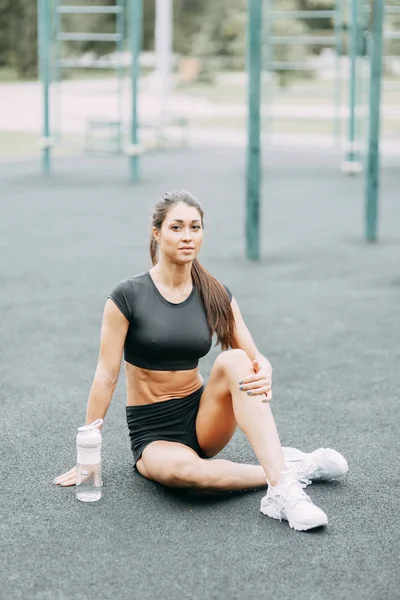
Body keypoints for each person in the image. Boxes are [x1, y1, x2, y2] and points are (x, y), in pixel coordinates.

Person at [54, 190, 348, 532]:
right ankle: (293, 469)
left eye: (195, 227)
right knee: (187, 474)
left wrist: (263, 366)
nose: (187, 236)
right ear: (157, 233)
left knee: (235, 360)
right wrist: (88, 454)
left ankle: (282, 494)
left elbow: (253, 358)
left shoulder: (214, 293)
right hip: (154, 432)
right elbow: (106, 375)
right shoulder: (128, 296)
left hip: (203, 421)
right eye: (176, 227)